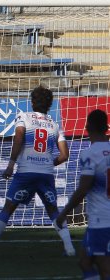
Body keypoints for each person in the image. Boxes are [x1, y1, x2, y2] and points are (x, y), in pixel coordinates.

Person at [0, 86, 75, 256]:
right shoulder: (54, 124)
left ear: (32, 102)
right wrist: (48, 164)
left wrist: (11, 164)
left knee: (8, 209)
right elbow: (65, 155)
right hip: (46, 174)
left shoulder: (24, 117)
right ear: (50, 104)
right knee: (53, 211)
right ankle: (70, 248)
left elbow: (19, 138)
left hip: (26, 172)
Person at [56, 109, 110, 279]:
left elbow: (83, 188)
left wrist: (64, 213)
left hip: (102, 219)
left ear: (88, 127)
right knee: (85, 261)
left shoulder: (90, 153)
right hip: (99, 218)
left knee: (104, 267)